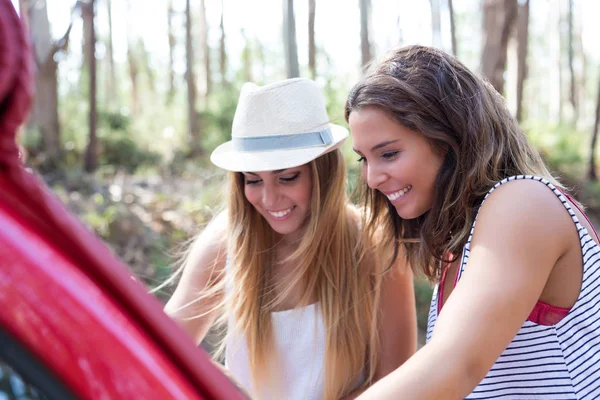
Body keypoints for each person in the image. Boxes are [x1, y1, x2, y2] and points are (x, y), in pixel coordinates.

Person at [345, 45, 600, 399]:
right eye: (364, 159)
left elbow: (454, 367)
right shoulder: (460, 247)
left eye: (388, 154)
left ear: (451, 138)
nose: (372, 178)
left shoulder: (523, 202)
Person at [164, 78, 417, 400]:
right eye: (252, 180)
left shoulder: (374, 243)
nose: (269, 199)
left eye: (287, 177)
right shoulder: (226, 241)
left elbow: (400, 380)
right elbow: (162, 346)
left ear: (323, 172)